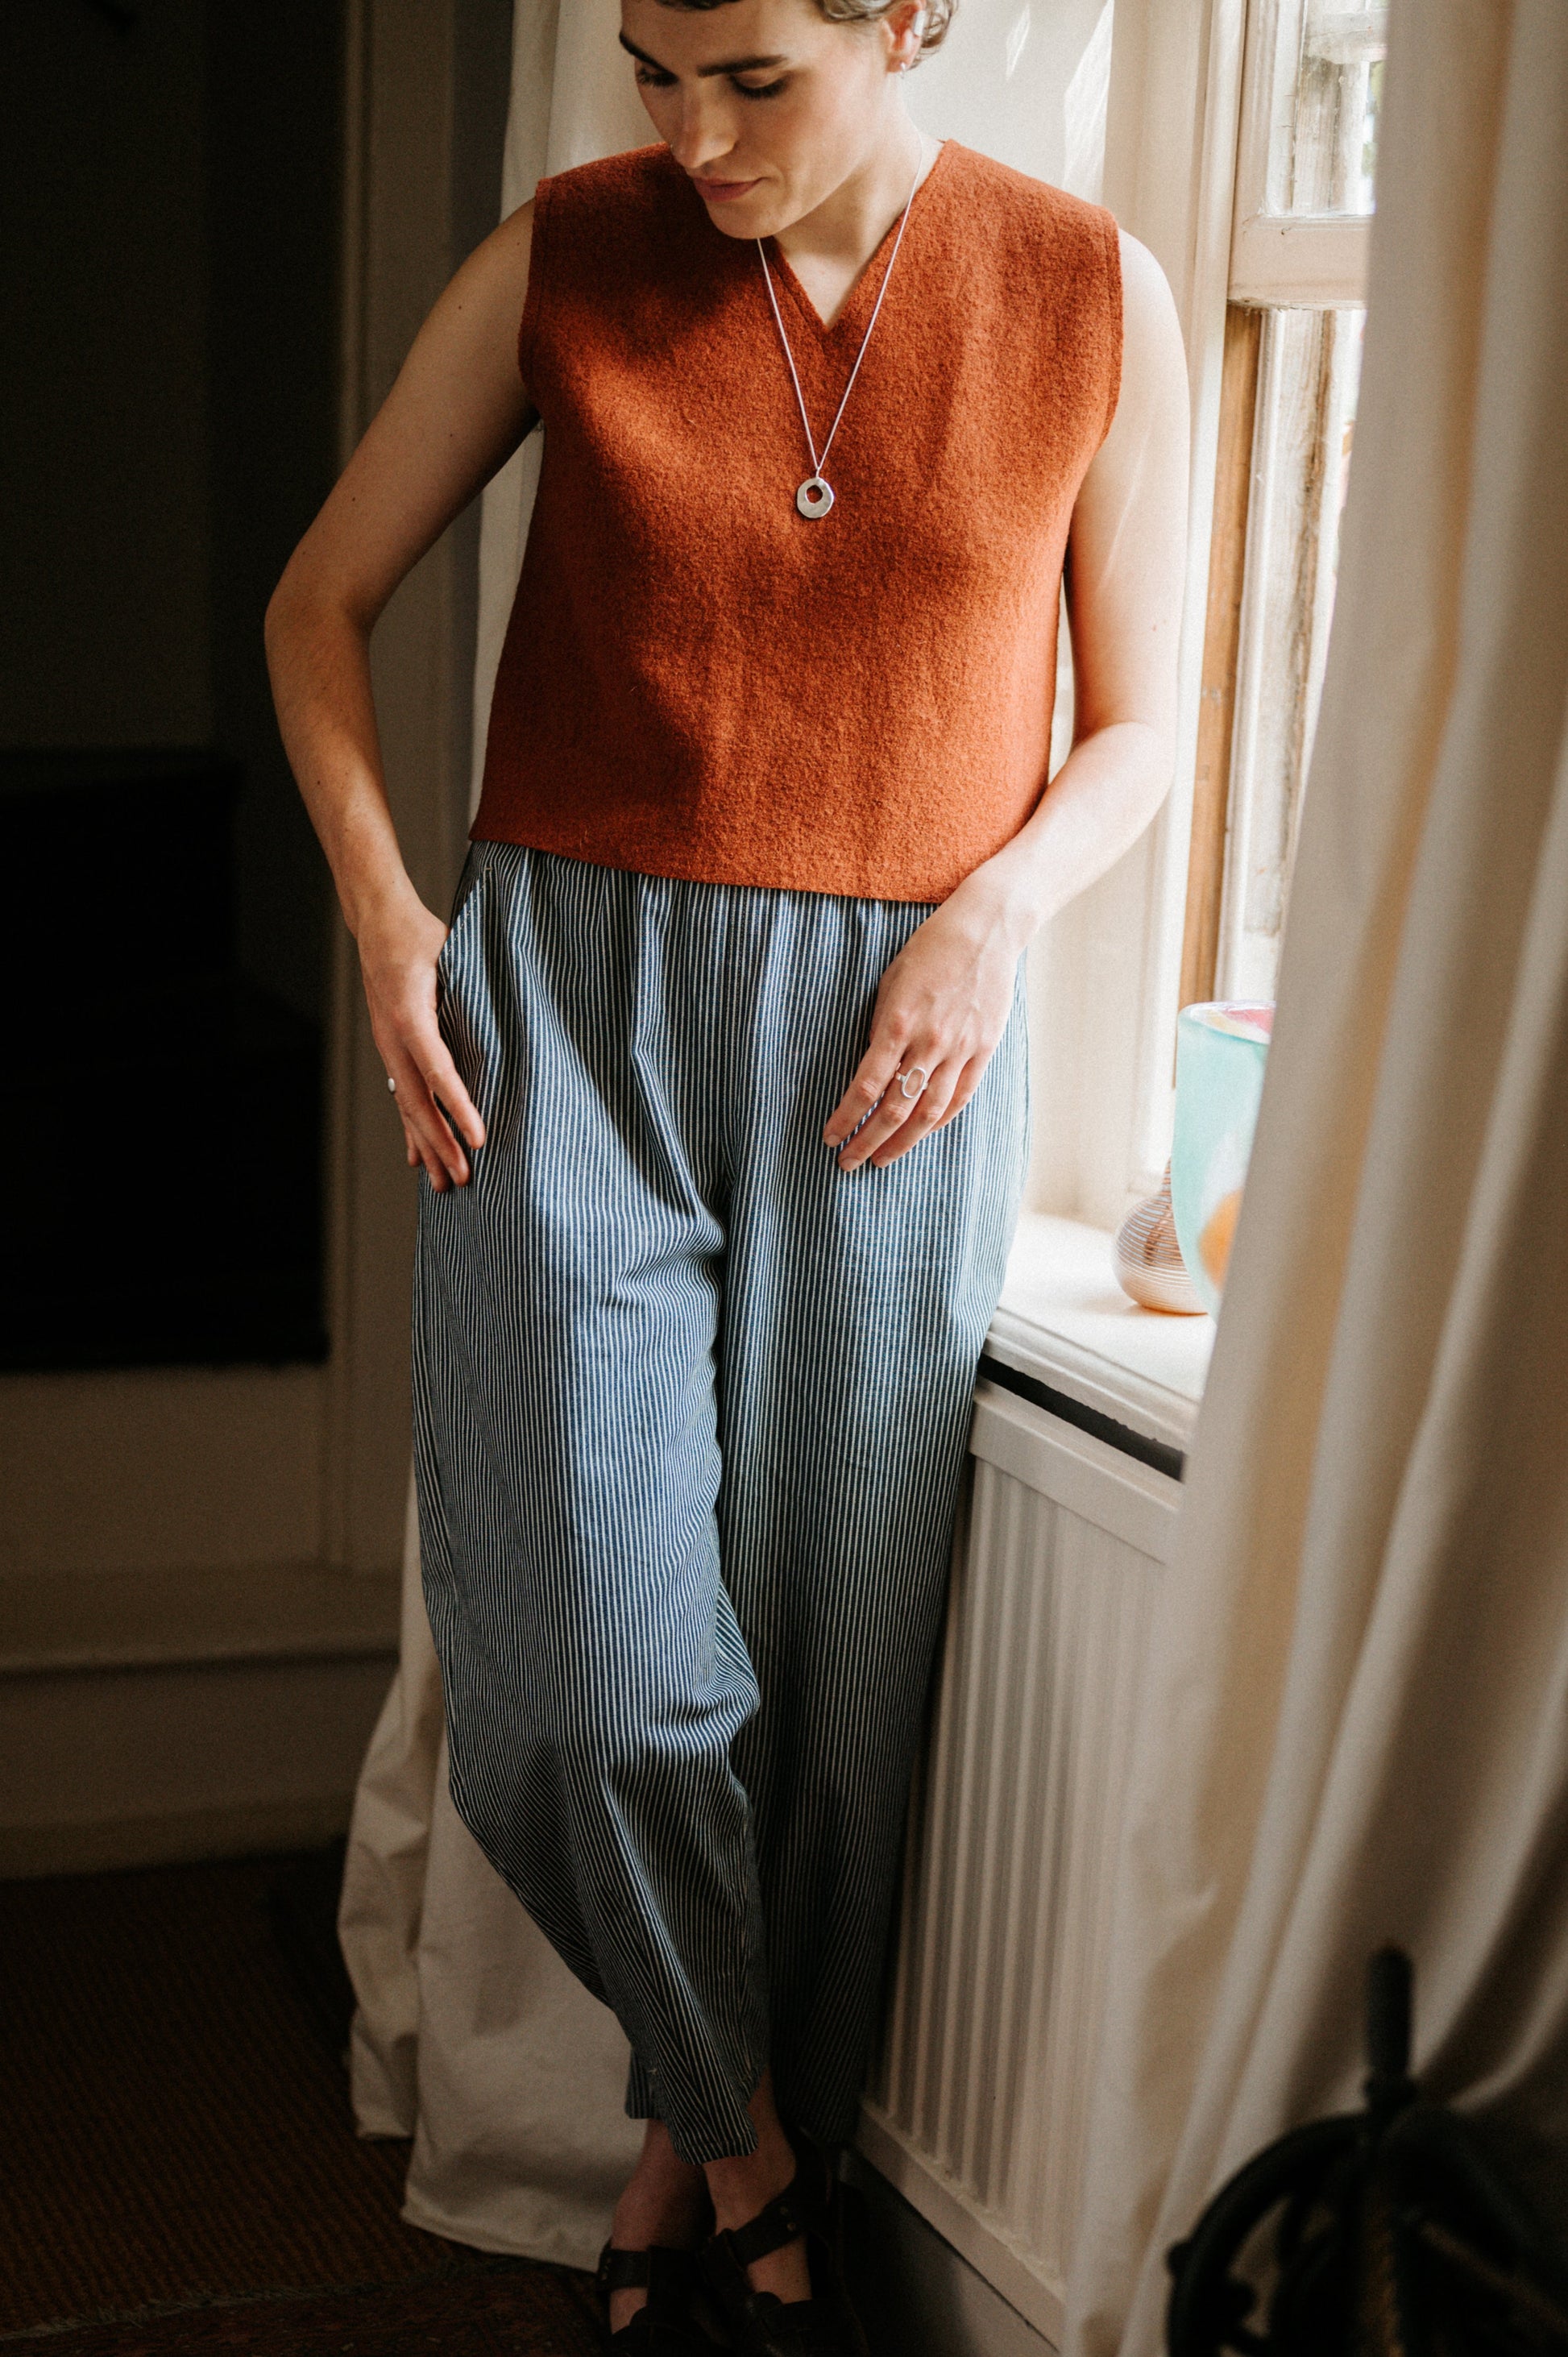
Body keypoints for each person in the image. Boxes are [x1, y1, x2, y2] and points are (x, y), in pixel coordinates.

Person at [267, 0, 1188, 2344]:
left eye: (750, 78)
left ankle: (687, 2162)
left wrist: (987, 918)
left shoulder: (1088, 290)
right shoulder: (564, 254)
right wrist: (392, 922)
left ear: (908, 20)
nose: (685, 134)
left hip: (891, 1051)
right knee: (587, 1679)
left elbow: (1140, 726)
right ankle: (772, 2163)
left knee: (825, 1688)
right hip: (556, 1014)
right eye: (650, 66)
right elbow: (315, 605)